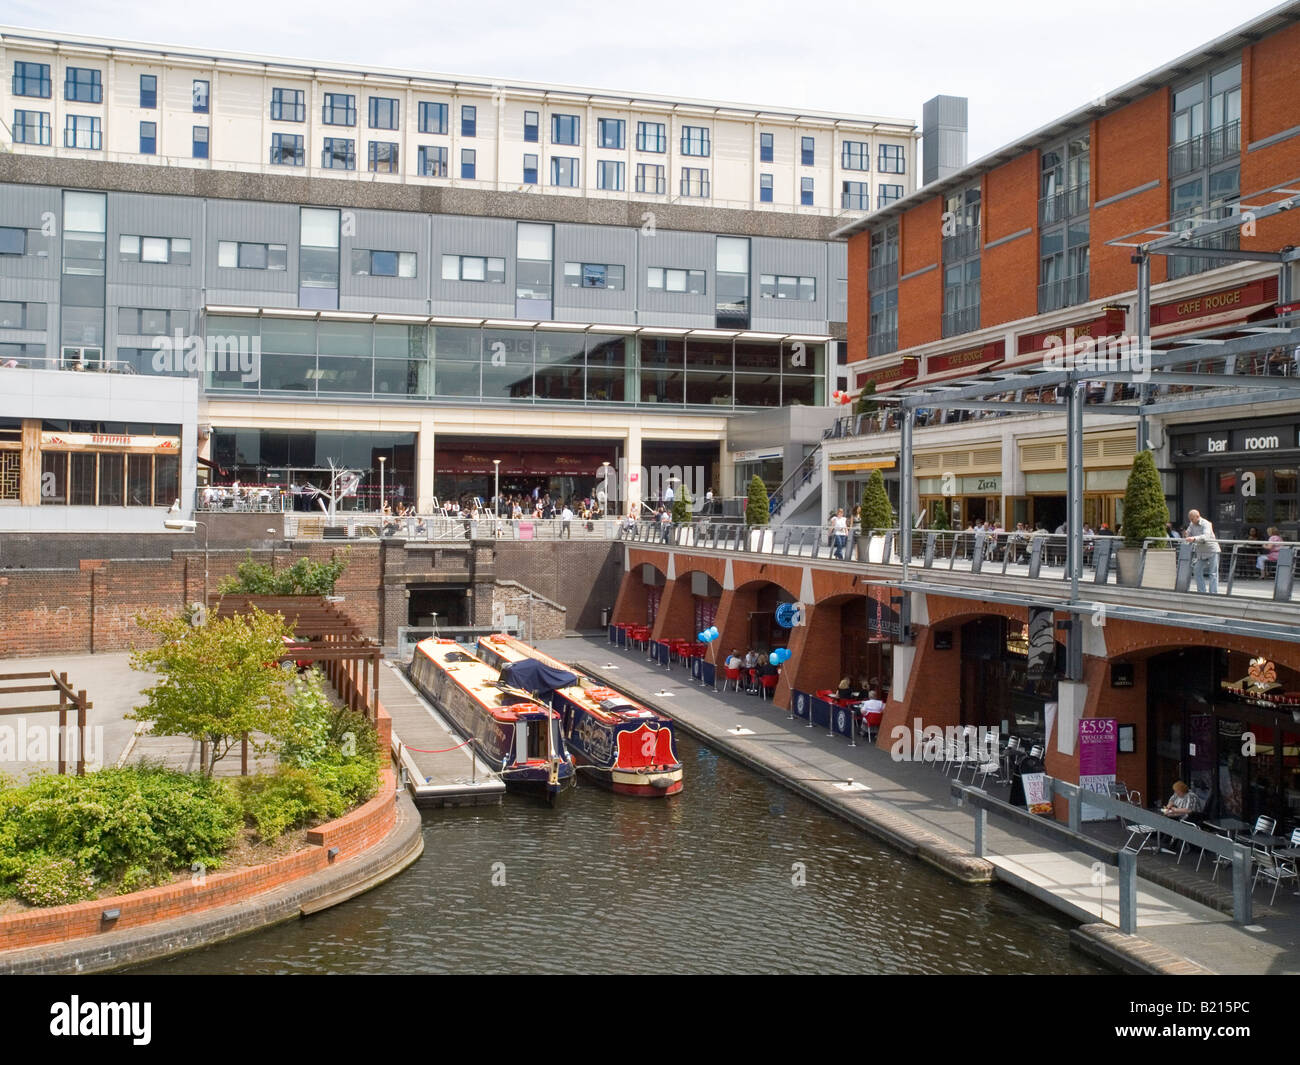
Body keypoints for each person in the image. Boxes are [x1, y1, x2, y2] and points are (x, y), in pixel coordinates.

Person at [1184, 509, 1221, 595]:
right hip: (1201, 552)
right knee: (1197, 570)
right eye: (1190, 519)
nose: (1191, 521)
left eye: (1192, 519)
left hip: (1212, 550)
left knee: (1213, 573)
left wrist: (1194, 538)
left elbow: (1206, 536)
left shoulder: (1206, 524)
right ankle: (1202, 592)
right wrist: (1186, 534)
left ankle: (1213, 593)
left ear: (1198, 516)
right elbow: (1188, 533)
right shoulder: (1191, 524)